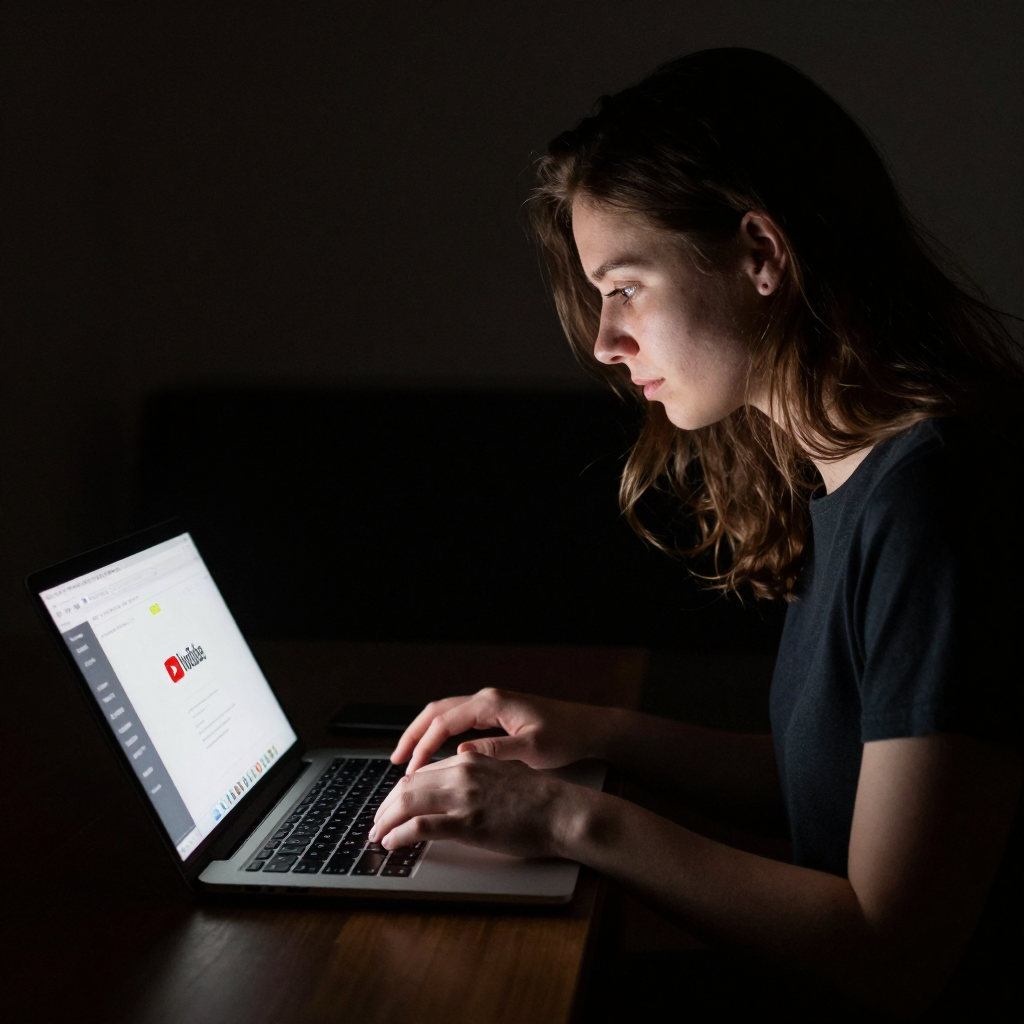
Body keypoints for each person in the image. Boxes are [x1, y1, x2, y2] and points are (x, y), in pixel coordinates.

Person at [368, 49, 1024, 1021]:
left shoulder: (932, 504)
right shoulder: (851, 472)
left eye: (623, 286)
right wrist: (595, 735)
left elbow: (891, 954)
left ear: (761, 253)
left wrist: (566, 816)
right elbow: (834, 780)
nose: (603, 340)